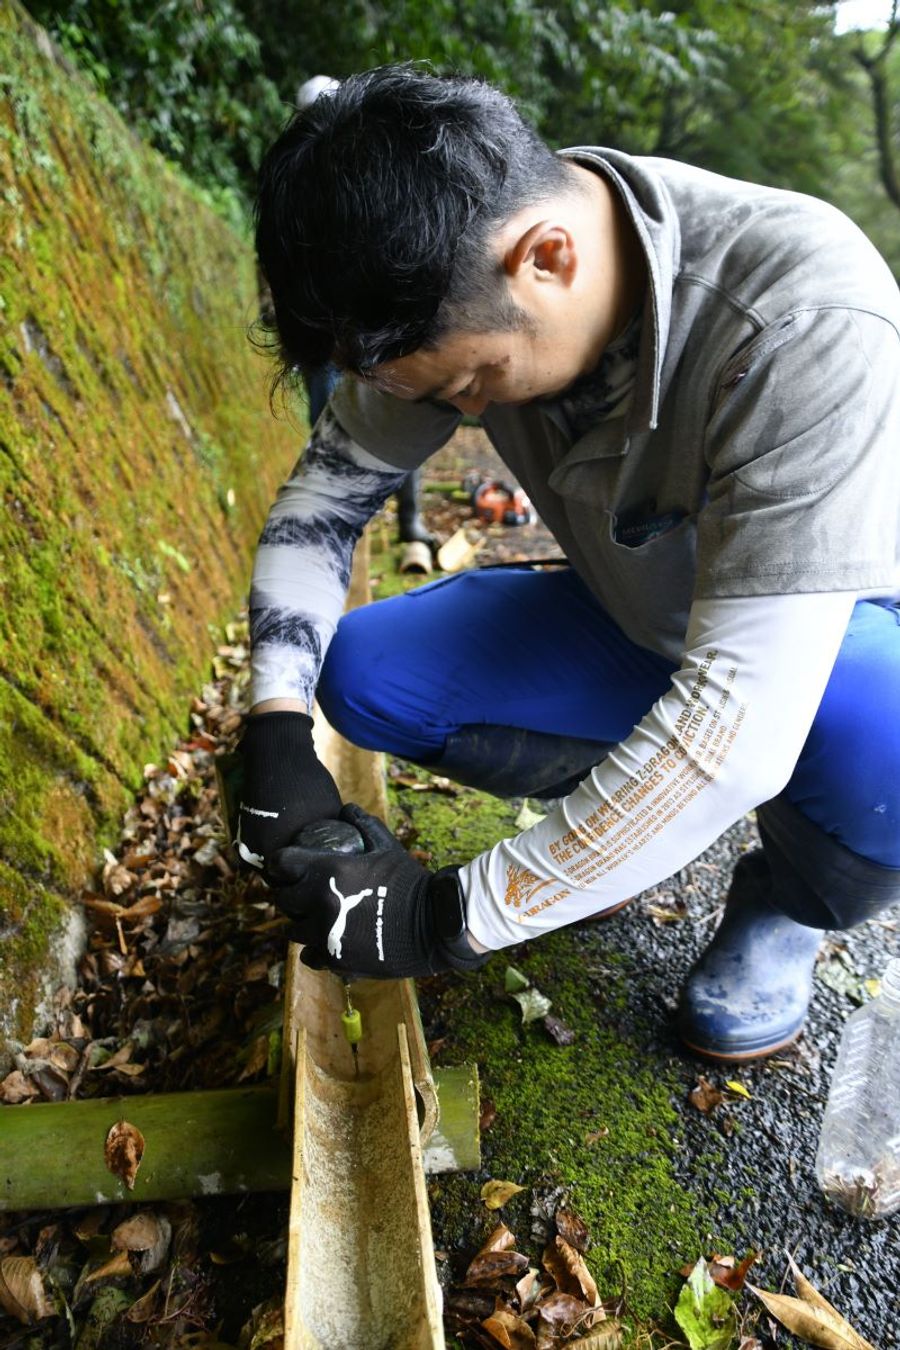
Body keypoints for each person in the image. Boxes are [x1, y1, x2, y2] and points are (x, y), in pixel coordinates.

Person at [238, 65, 900, 1061]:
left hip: (828, 648)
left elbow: (742, 721)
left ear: (545, 258)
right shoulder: (441, 272)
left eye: (473, 380)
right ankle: (622, 835)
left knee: (885, 757)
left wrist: (447, 915)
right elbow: (323, 504)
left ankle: (789, 905)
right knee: (366, 674)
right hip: (641, 624)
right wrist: (277, 726)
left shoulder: (805, 319)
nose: (462, 411)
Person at [294, 73, 434, 549]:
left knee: (404, 413)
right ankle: (343, 520)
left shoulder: (377, 166)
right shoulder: (295, 180)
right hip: (325, 332)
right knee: (330, 425)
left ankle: (408, 520)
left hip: (378, 326)